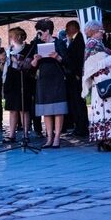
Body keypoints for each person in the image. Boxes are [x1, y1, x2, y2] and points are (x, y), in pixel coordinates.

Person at [82, 20, 111, 152]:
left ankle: (105, 139)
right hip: (104, 83)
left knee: (106, 111)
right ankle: (108, 140)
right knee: (107, 110)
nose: (102, 32)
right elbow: (97, 64)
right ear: (94, 32)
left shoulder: (97, 44)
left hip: (103, 82)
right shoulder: (92, 44)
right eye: (100, 30)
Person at [30, 19, 69, 148]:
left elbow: (67, 60)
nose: (39, 35)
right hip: (43, 79)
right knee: (46, 109)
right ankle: (49, 137)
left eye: (40, 32)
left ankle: (57, 137)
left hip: (56, 78)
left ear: (47, 31)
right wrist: (35, 60)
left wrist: (57, 57)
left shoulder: (59, 43)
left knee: (58, 108)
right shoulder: (37, 44)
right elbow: (32, 65)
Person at [2, 27, 35, 143]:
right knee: (12, 109)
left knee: (23, 109)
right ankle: (11, 134)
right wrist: (3, 61)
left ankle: (25, 134)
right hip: (11, 81)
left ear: (19, 37)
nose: (10, 39)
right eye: (10, 36)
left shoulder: (28, 48)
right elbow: (4, 68)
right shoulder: (8, 50)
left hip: (22, 80)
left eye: (12, 36)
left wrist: (17, 61)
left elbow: (29, 65)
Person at [64, 20, 89, 138]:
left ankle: (81, 127)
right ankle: (79, 125)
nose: (67, 31)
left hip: (76, 77)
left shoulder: (78, 40)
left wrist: (76, 73)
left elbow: (78, 58)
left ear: (74, 28)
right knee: (76, 103)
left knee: (78, 103)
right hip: (73, 76)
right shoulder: (74, 39)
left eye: (68, 28)